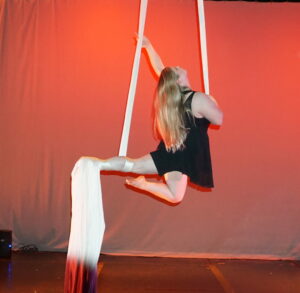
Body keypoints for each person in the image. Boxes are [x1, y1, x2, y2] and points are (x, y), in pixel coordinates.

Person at [95, 36, 223, 204]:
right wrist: (212, 102)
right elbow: (218, 119)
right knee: (163, 187)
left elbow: (159, 68)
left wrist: (148, 46)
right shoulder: (197, 99)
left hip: (174, 151)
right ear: (178, 80)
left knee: (169, 192)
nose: (177, 66)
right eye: (176, 69)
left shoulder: (175, 98)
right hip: (185, 152)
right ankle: (98, 165)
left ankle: (100, 165)